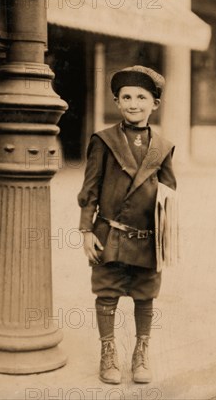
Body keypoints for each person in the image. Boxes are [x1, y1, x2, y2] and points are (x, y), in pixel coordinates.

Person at [77, 65, 177, 384]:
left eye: (141, 97)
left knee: (144, 295)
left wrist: (167, 233)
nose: (134, 103)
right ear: (117, 102)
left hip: (148, 238)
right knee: (107, 293)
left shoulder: (163, 147)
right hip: (110, 234)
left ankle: (140, 352)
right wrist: (86, 230)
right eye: (126, 97)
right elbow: (89, 189)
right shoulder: (103, 141)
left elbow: (169, 191)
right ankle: (108, 352)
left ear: (155, 104)